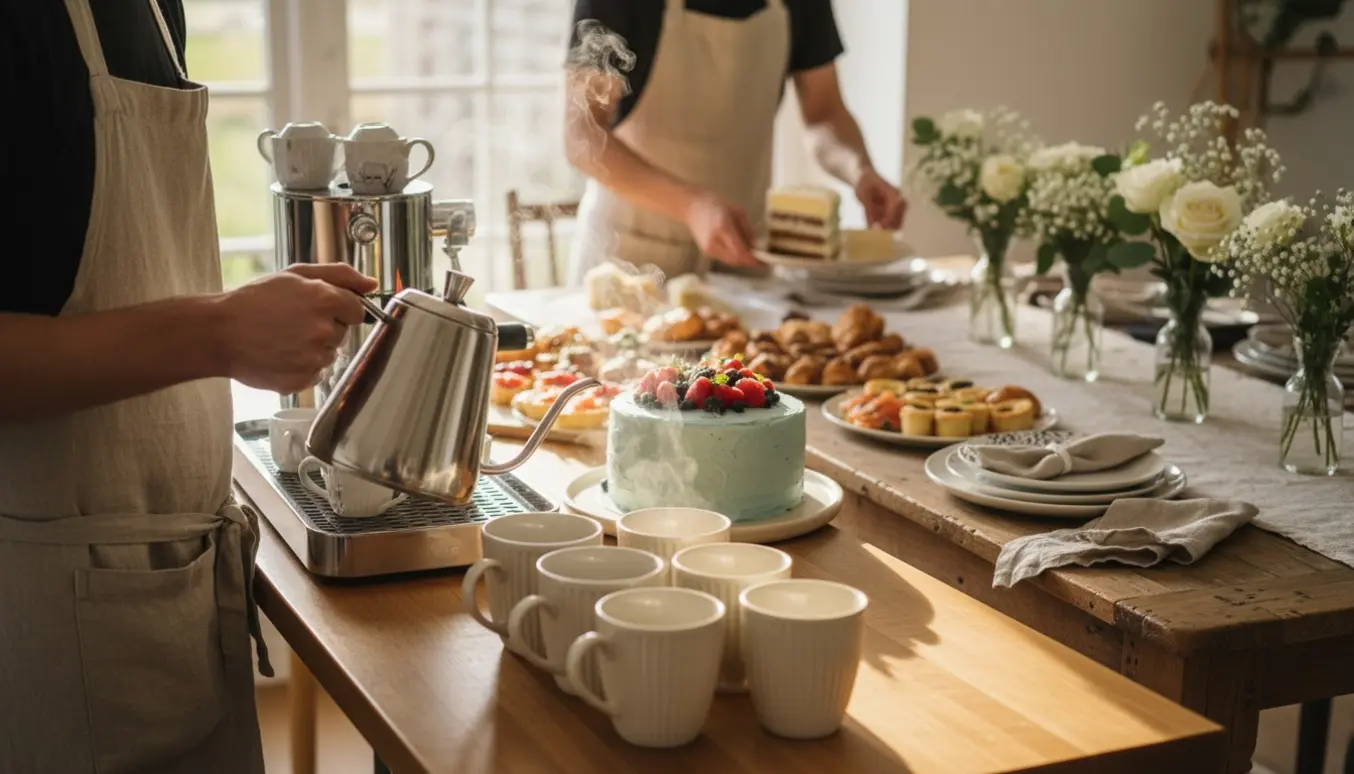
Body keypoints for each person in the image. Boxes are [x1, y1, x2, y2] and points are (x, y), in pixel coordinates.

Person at [0, 2, 374, 771]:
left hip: (173, 586)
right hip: (42, 618)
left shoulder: (156, 12)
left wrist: (239, 314)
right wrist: (218, 332)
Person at [563, 0, 906, 283]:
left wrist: (859, 170)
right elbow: (583, 136)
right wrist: (693, 206)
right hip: (631, 262)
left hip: (746, 261)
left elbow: (824, 113)